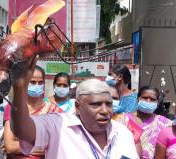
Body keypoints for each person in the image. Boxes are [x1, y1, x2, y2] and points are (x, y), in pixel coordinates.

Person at [9, 56, 139, 159]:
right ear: (78, 106)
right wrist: (19, 87)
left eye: (109, 104)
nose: (105, 111)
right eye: (96, 104)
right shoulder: (58, 125)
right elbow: (22, 130)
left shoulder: (123, 134)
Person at [3, 65, 62, 159]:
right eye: (33, 82)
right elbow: (10, 146)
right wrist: (44, 146)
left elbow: (59, 146)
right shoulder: (12, 108)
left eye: (40, 82)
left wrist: (21, 146)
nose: (37, 85)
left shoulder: (54, 111)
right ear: (25, 83)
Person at [116, 86, 172, 159]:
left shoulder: (164, 123)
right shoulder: (123, 119)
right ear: (138, 99)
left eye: (152, 99)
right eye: (145, 98)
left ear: (157, 103)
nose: (148, 101)